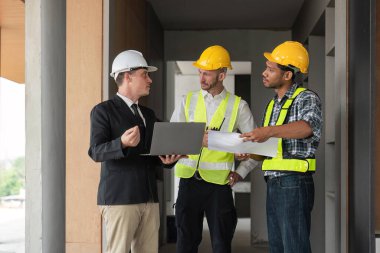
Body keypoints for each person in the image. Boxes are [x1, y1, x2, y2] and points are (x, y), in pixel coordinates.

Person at [169, 45, 258, 253]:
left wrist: (241, 171)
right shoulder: (187, 101)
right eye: (200, 72)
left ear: (222, 75)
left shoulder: (238, 106)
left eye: (207, 74)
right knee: (185, 245)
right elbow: (172, 139)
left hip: (220, 186)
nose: (201, 78)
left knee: (221, 245)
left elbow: (255, 145)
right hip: (189, 183)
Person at [88, 50, 179, 253]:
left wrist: (167, 160)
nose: (150, 80)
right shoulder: (103, 111)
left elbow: (152, 154)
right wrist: (121, 143)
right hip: (120, 199)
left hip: (148, 197)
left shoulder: (148, 114)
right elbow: (96, 151)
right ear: (128, 76)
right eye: (144, 74)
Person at [241, 41, 323, 253]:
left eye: (270, 69)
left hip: (294, 182)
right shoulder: (272, 104)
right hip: (275, 182)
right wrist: (249, 153)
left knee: (294, 247)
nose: (264, 73)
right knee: (277, 246)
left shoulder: (306, 98)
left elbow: (306, 128)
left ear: (287, 75)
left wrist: (267, 131)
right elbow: (271, 147)